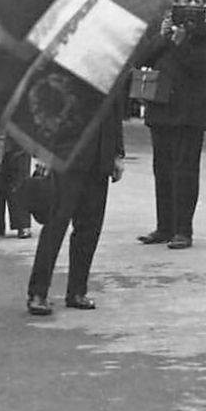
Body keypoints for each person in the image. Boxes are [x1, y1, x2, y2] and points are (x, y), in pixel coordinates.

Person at [137, 0, 206, 250]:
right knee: (162, 171)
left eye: (197, 1)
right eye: (187, 0)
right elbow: (142, 58)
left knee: (185, 172)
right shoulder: (165, 32)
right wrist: (164, 38)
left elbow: (201, 67)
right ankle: (165, 227)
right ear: (176, 5)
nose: (192, 5)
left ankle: (184, 230)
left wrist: (182, 41)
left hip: (190, 114)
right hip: (161, 111)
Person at [25, 99, 126, 315]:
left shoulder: (112, 68)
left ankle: (77, 291)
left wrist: (117, 154)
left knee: (90, 228)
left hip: (100, 158)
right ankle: (38, 292)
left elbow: (116, 112)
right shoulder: (71, 68)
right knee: (55, 225)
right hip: (66, 156)